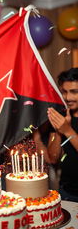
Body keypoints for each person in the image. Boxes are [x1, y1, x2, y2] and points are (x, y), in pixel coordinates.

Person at [47, 67, 78, 202]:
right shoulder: (61, 115)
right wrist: (59, 132)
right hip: (66, 192)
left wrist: (67, 130)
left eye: (74, 92)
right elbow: (53, 158)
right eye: (64, 92)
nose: (68, 97)